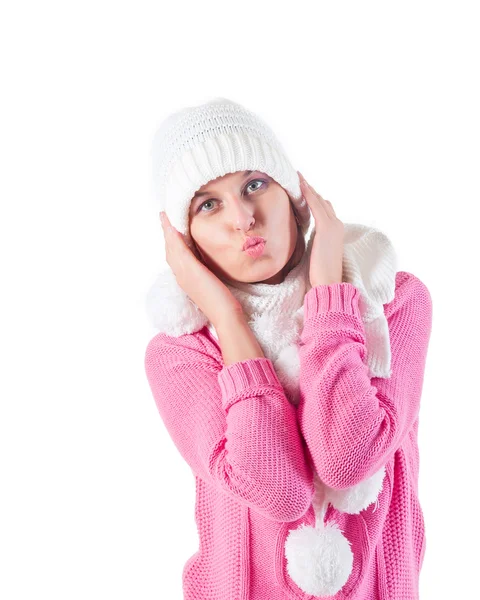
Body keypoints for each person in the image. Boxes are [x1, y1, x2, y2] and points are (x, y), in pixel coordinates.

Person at [144, 97, 433, 599]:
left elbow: (349, 460)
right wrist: (228, 320)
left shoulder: (391, 302)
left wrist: (329, 295)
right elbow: (278, 492)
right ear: (186, 242)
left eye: (255, 184)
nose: (243, 218)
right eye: (207, 204)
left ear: (295, 195)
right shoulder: (183, 353)